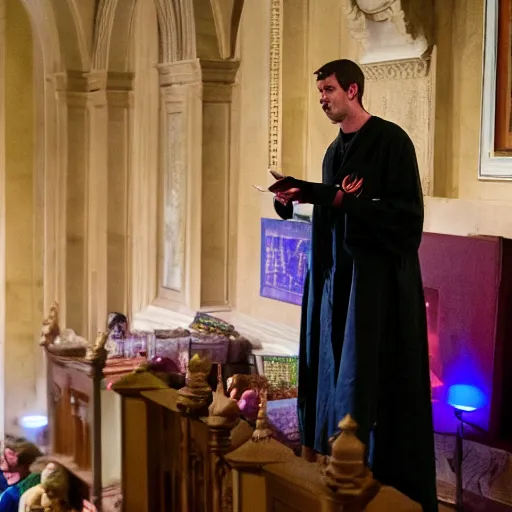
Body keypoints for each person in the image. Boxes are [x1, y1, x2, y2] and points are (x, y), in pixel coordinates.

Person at [270, 59, 438, 512]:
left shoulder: (391, 142)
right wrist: (294, 201)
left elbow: (406, 221)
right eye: (321, 90)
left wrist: (337, 197)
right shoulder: (333, 152)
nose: (323, 98)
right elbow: (333, 214)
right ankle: (342, 465)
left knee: (372, 377)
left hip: (377, 287)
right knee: (340, 374)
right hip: (337, 282)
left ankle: (380, 480)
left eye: (328, 89)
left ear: (353, 90)